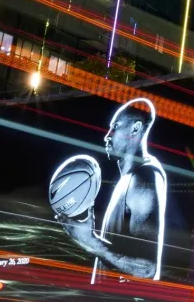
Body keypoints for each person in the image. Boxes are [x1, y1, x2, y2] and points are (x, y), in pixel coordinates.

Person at [57, 98, 167, 284]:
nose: (107, 135)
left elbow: (147, 269)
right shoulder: (128, 178)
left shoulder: (142, 178)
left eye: (115, 127)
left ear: (135, 128)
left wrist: (90, 241)